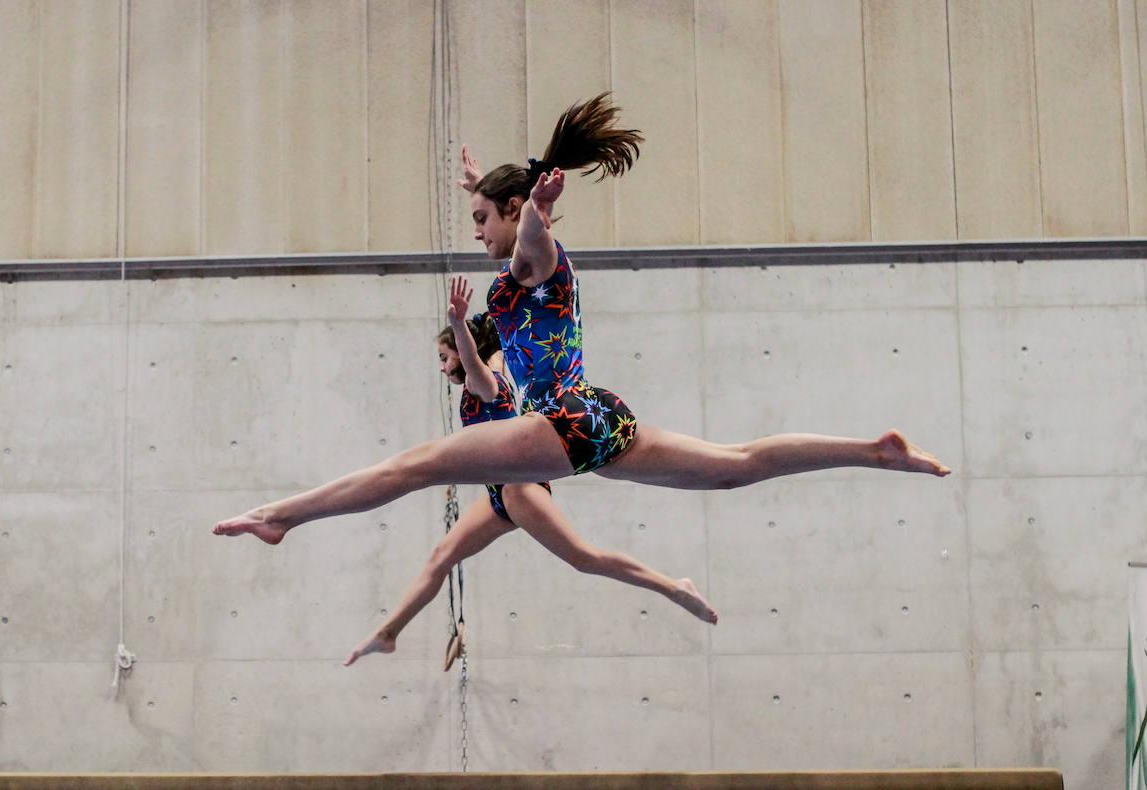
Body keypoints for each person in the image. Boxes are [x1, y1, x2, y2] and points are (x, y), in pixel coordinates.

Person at [214, 92, 948, 550]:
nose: (475, 231)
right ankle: (872, 450)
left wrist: (531, 209)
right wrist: (491, 187)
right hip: (595, 418)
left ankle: (281, 516)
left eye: (479, 217)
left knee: (415, 466)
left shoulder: (537, 257)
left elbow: (527, 235)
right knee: (736, 467)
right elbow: (512, 229)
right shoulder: (521, 268)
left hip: (563, 421)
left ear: (512, 213)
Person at [343, 276, 717, 667]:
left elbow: (474, 368)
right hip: (498, 493)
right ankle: (389, 634)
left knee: (583, 557)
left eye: (443, 357)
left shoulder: (486, 381)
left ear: (462, 350)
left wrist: (458, 325)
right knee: (441, 556)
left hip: (519, 489)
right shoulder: (494, 368)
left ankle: (674, 588)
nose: (442, 367)